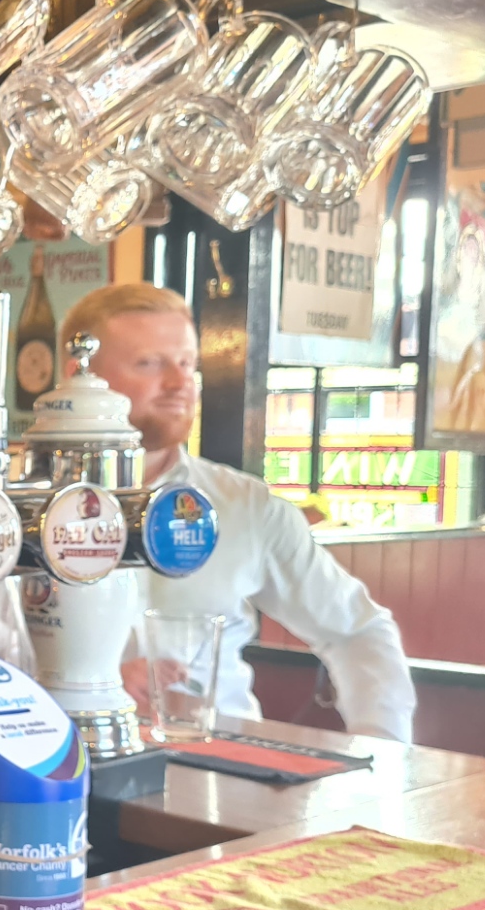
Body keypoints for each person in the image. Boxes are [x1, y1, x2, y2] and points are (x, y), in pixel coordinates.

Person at [58, 282, 416, 741]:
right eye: (150, 363)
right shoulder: (20, 513)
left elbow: (357, 630)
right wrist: (93, 681)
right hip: (59, 760)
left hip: (223, 764)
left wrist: (381, 750)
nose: (179, 383)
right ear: (79, 373)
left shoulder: (245, 506)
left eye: (187, 363)